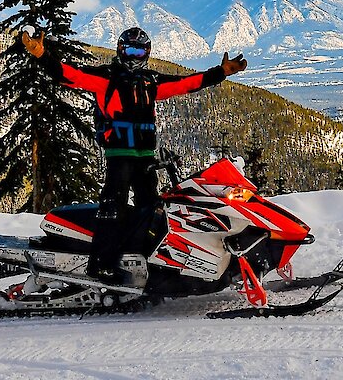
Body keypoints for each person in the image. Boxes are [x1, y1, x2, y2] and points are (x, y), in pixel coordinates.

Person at [20, 25, 247, 282]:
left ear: (146, 54)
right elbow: (69, 75)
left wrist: (221, 73)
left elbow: (186, 83)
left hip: (145, 157)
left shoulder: (151, 82)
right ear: (120, 50)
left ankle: (143, 260)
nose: (134, 56)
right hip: (120, 154)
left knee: (151, 210)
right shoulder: (106, 78)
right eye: (130, 50)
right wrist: (41, 55)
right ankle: (101, 264)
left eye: (139, 52)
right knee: (112, 207)